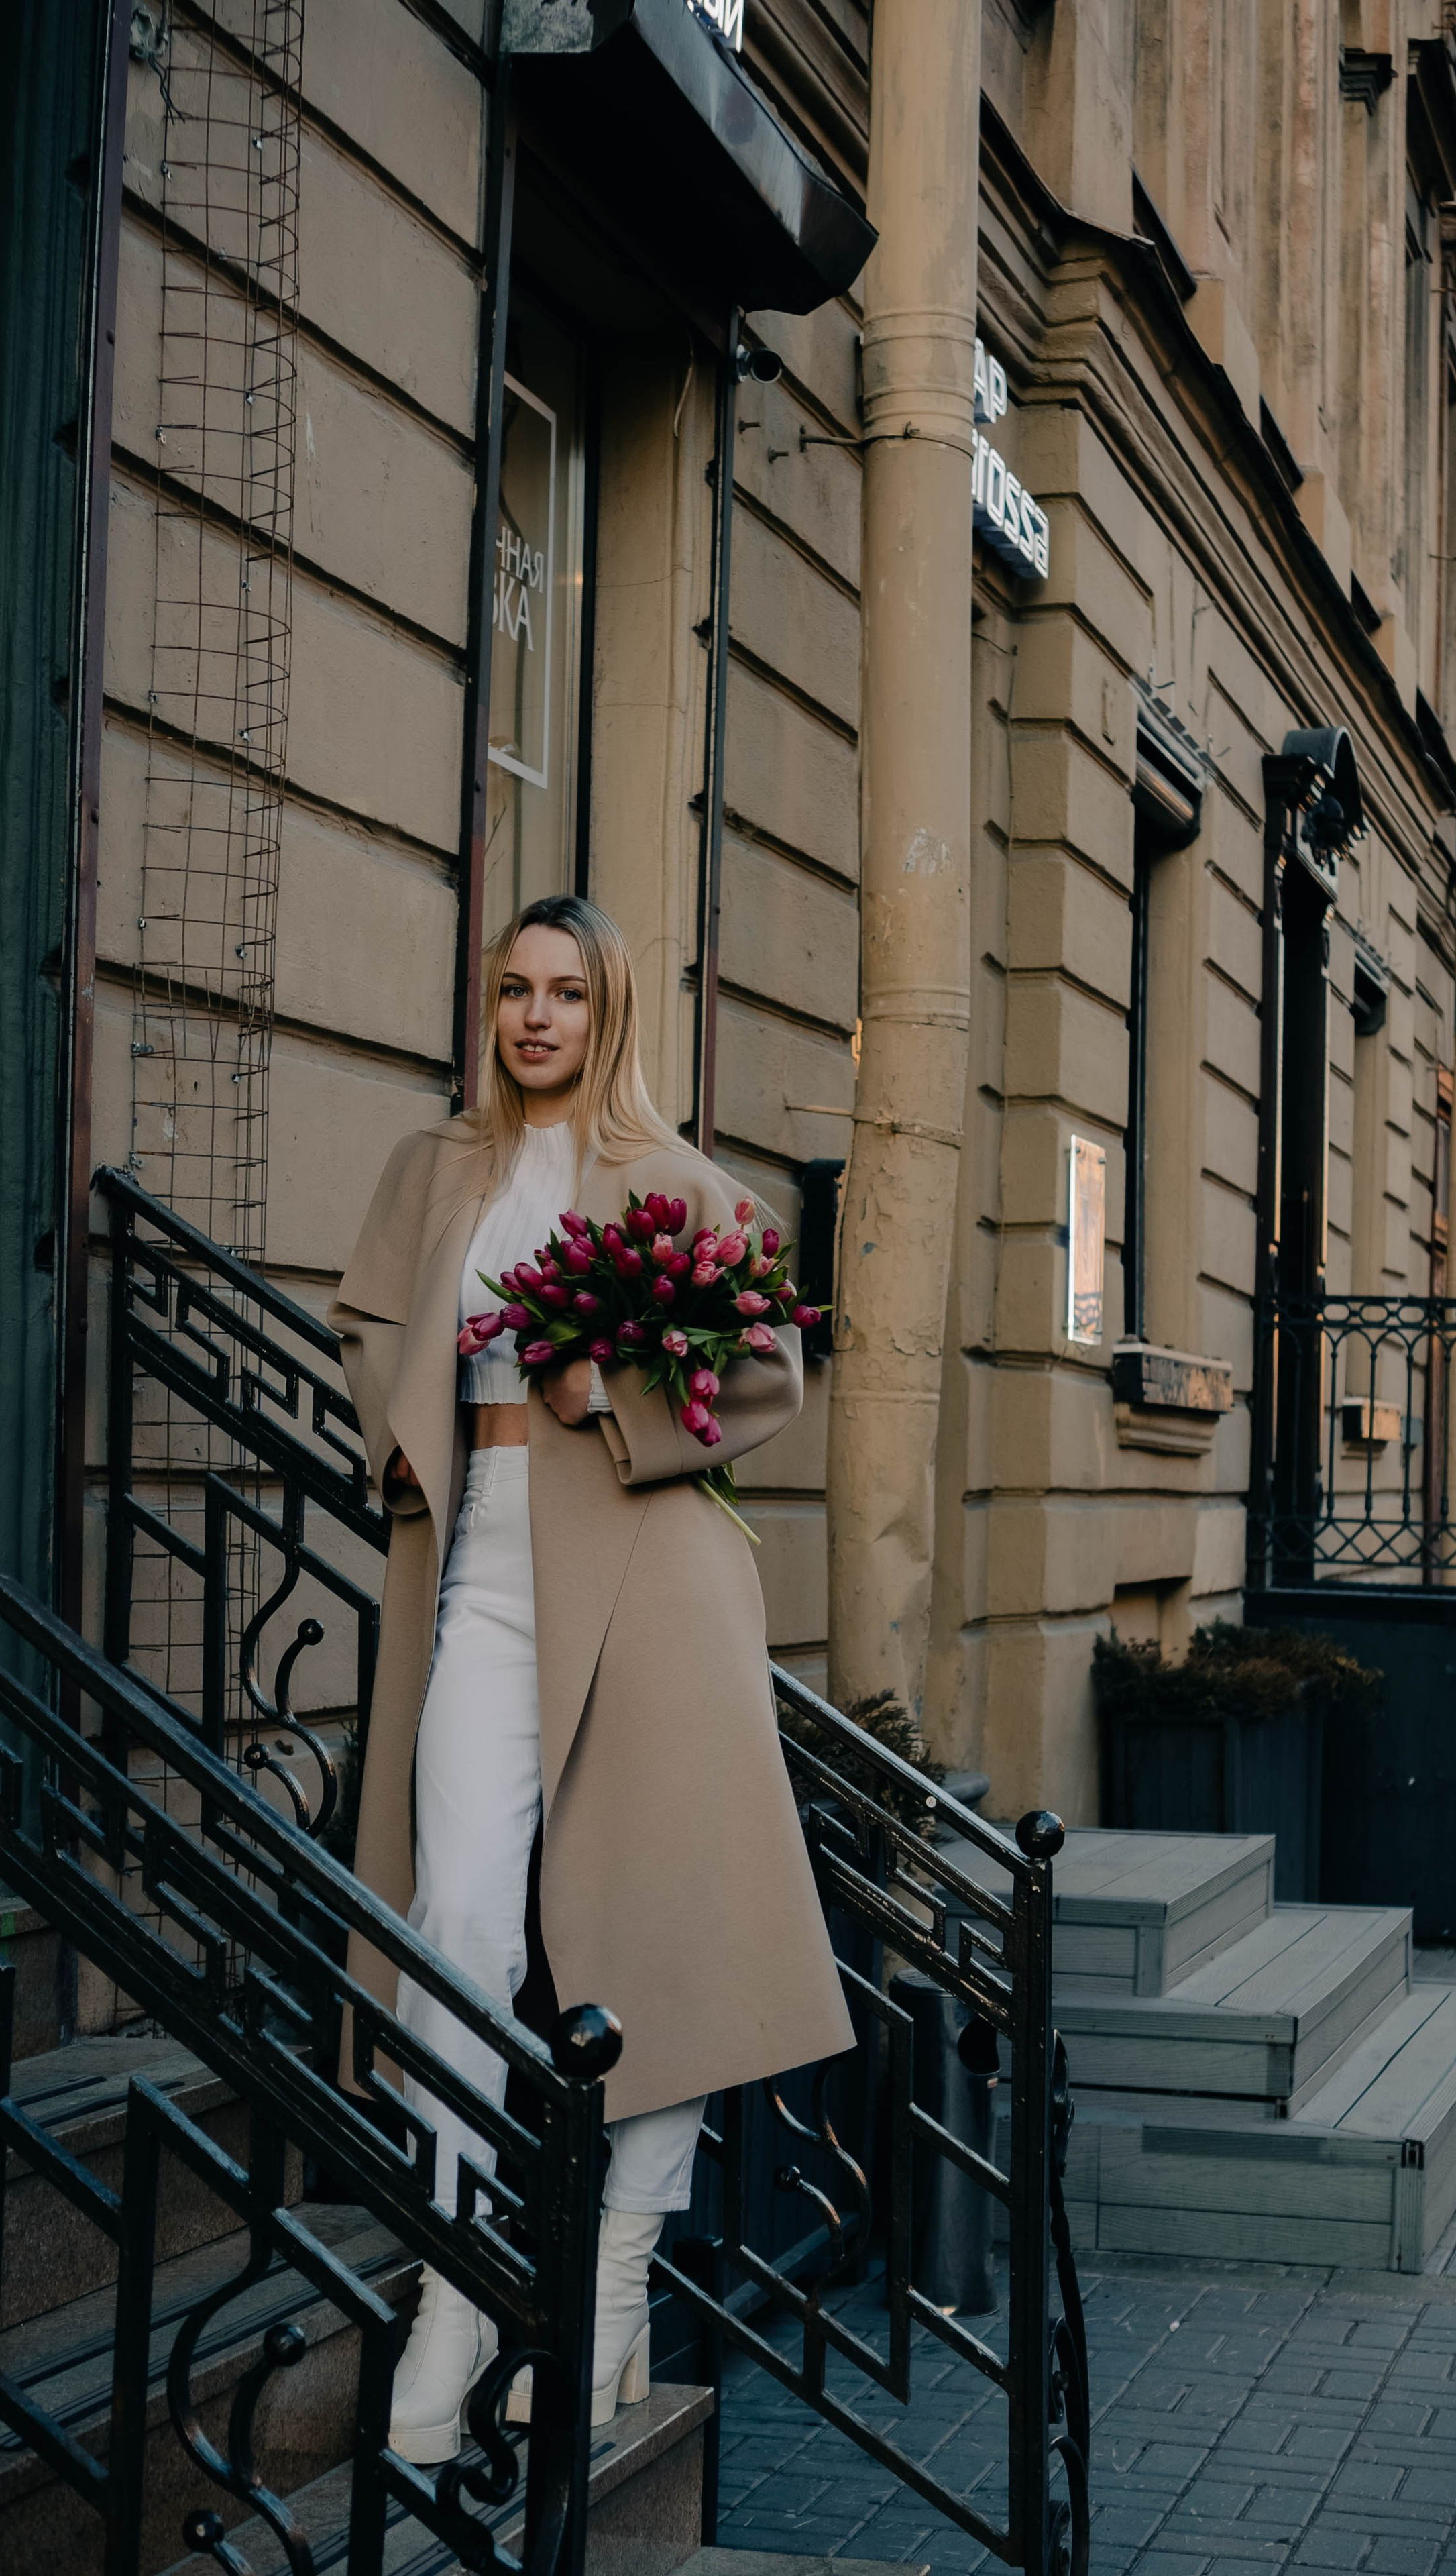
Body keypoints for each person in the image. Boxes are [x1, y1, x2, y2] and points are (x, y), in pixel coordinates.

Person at [329, 893, 854, 2463]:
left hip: (643, 1578)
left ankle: (616, 2291)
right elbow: (367, 1325)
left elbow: (764, 1373)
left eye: (566, 991)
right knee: (460, 1916)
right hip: (475, 1568)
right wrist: (424, 1429)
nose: (536, 1016)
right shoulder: (433, 1169)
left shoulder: (681, 1183)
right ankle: (459, 2278)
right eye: (513, 989)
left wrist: (608, 1391)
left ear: (609, 1009)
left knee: (656, 1933)